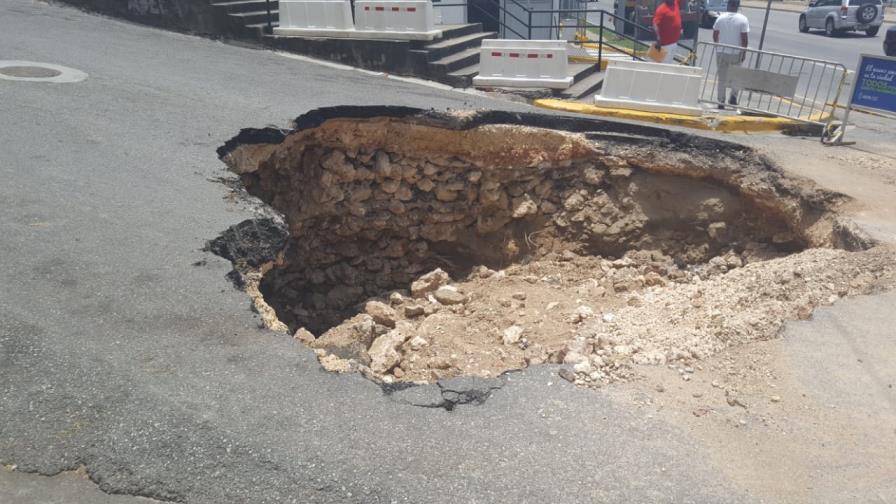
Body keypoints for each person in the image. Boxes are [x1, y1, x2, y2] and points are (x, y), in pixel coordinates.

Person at [712, 0, 750, 107]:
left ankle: (721, 101)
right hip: (736, 53)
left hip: (721, 52)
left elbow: (715, 34)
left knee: (722, 78)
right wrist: (744, 53)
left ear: (729, 5)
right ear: (737, 6)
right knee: (736, 76)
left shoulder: (720, 17)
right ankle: (733, 97)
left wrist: (717, 45)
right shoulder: (743, 19)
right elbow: (744, 39)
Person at [652, 0, 681, 64]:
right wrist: (658, 37)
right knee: (664, 66)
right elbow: (655, 24)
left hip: (674, 43)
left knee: (669, 65)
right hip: (665, 45)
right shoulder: (661, 9)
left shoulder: (675, 3)